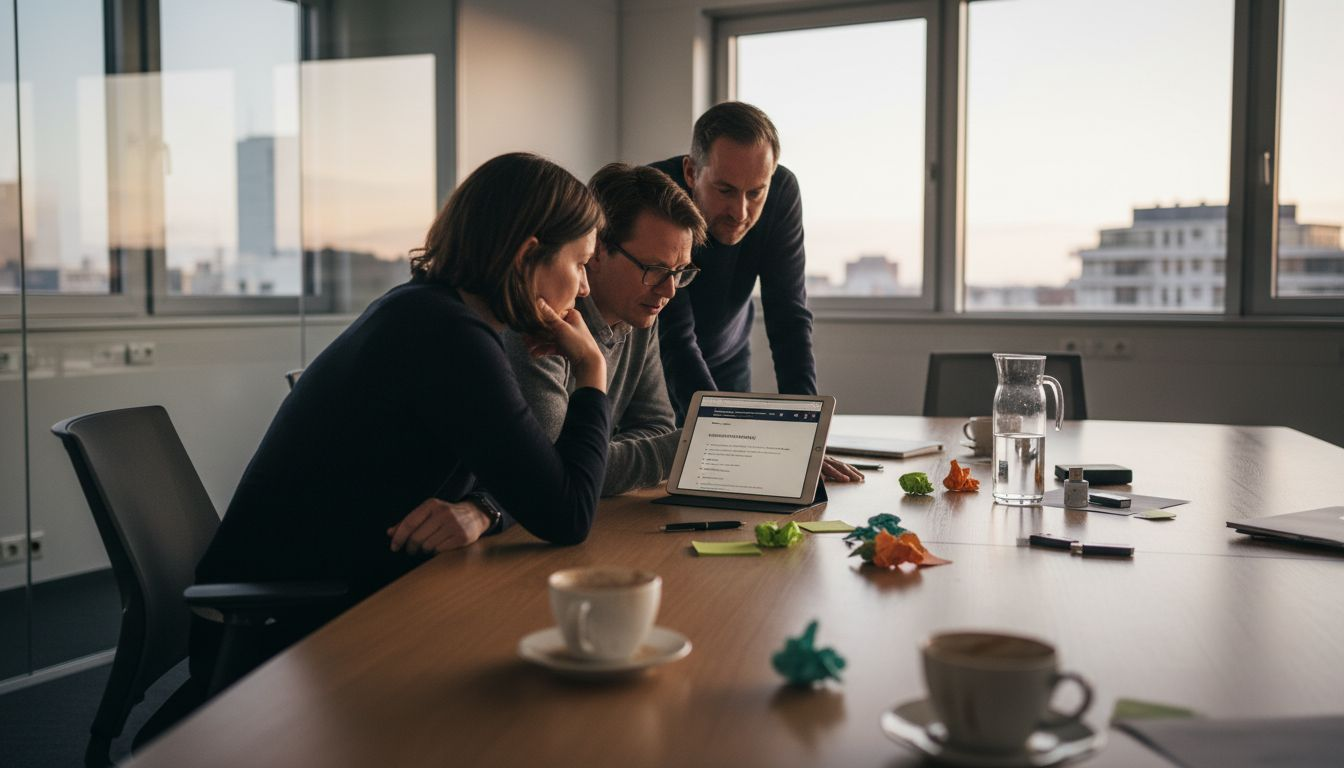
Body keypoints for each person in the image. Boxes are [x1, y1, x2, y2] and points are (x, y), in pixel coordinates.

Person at [189, 152, 612, 688]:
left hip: (329, 590)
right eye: (580, 263)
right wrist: (591, 368)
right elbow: (569, 514)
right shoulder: (449, 337)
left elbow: (518, 472)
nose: (585, 289)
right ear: (530, 255)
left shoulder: (427, 310)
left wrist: (483, 509)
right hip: (279, 630)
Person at [650, 102, 862, 483]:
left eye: (755, 192)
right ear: (691, 171)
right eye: (725, 190)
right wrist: (731, 439)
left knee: (736, 488)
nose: (740, 211)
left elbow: (789, 318)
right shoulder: (657, 194)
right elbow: (675, 338)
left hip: (729, 353)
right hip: (656, 363)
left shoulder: (782, 192)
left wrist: (806, 439)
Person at [503, 163, 704, 495]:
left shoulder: (640, 313)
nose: (669, 291)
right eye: (654, 269)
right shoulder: (542, 320)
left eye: (680, 271)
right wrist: (690, 445)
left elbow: (654, 426)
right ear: (597, 251)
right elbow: (556, 469)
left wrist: (600, 460)